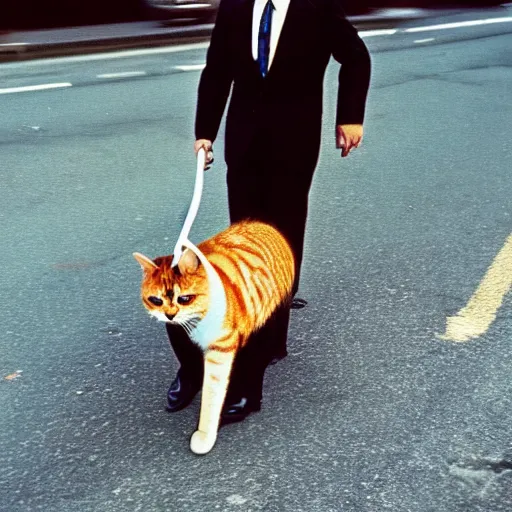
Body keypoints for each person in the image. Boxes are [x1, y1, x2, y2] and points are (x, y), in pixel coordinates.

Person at [166, 0, 371, 423]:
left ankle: (251, 379)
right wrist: (205, 131)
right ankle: (242, 346)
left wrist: (350, 117)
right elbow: (217, 68)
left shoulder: (316, 7)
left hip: (293, 148)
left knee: (279, 244)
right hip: (243, 144)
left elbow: (355, 56)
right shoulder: (236, 6)